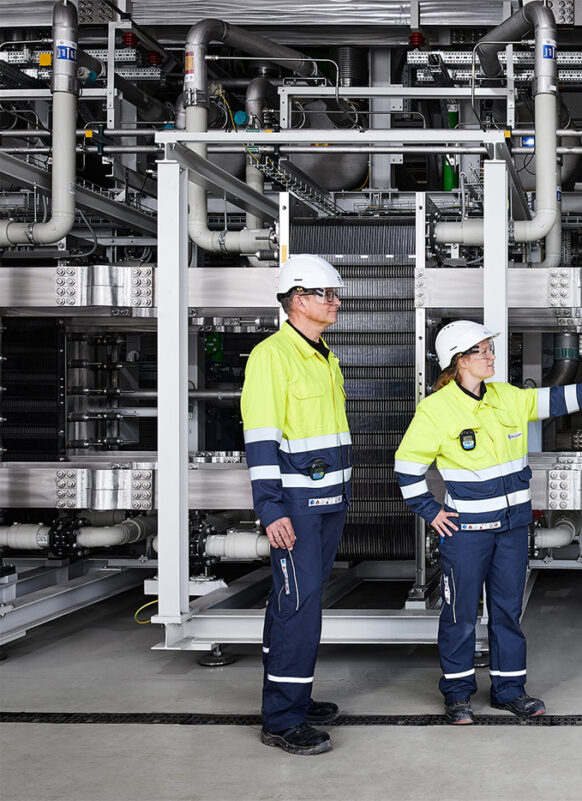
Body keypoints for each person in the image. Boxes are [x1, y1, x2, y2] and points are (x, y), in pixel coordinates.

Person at [394, 321, 582, 724]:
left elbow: (557, 400)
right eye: (482, 351)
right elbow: (406, 467)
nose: (491, 356)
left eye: (490, 348)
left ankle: (509, 690)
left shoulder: (506, 397)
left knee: (506, 611)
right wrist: (431, 512)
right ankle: (457, 695)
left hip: (511, 529)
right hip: (467, 533)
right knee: (460, 614)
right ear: (459, 360)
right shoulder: (435, 410)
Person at [241, 254, 352, 755]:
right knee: (297, 606)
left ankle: (293, 695)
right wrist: (271, 509)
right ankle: (282, 719)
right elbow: (262, 440)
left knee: (298, 602)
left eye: (335, 294)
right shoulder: (272, 356)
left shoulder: (323, 355)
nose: (336, 302)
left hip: (330, 503)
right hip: (297, 507)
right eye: (326, 294)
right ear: (298, 300)